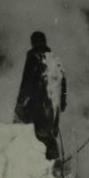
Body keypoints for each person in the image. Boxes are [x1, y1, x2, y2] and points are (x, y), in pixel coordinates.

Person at [13, 31, 67, 161]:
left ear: (32, 42)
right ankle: (55, 166)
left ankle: (43, 169)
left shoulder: (33, 56)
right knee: (49, 136)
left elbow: (27, 81)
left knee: (35, 137)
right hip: (53, 107)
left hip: (37, 105)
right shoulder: (55, 59)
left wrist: (20, 103)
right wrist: (62, 104)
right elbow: (63, 84)